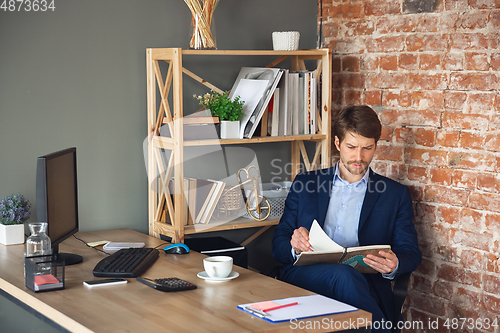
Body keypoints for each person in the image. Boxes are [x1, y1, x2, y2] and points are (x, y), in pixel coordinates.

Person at [272, 105, 421, 332]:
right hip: (305, 275)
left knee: (347, 296)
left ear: (375, 146)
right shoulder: (306, 184)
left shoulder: (394, 194)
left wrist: (395, 263)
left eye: (367, 148)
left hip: (364, 283)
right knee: (342, 276)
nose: (359, 157)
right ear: (337, 143)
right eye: (351, 147)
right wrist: (294, 245)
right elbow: (278, 243)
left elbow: (410, 251)